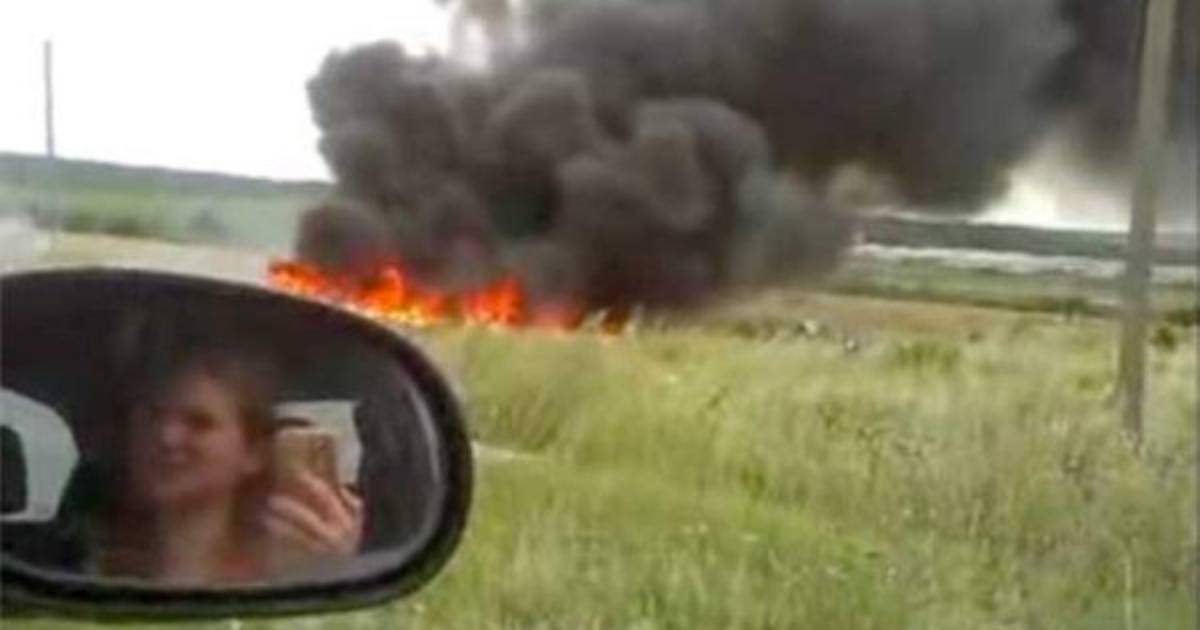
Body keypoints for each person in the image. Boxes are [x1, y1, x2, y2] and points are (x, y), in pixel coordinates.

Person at [91, 344, 364, 586]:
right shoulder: (94, 568)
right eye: (154, 415)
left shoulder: (279, 570)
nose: (167, 437)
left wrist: (329, 574)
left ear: (254, 455)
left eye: (199, 423)